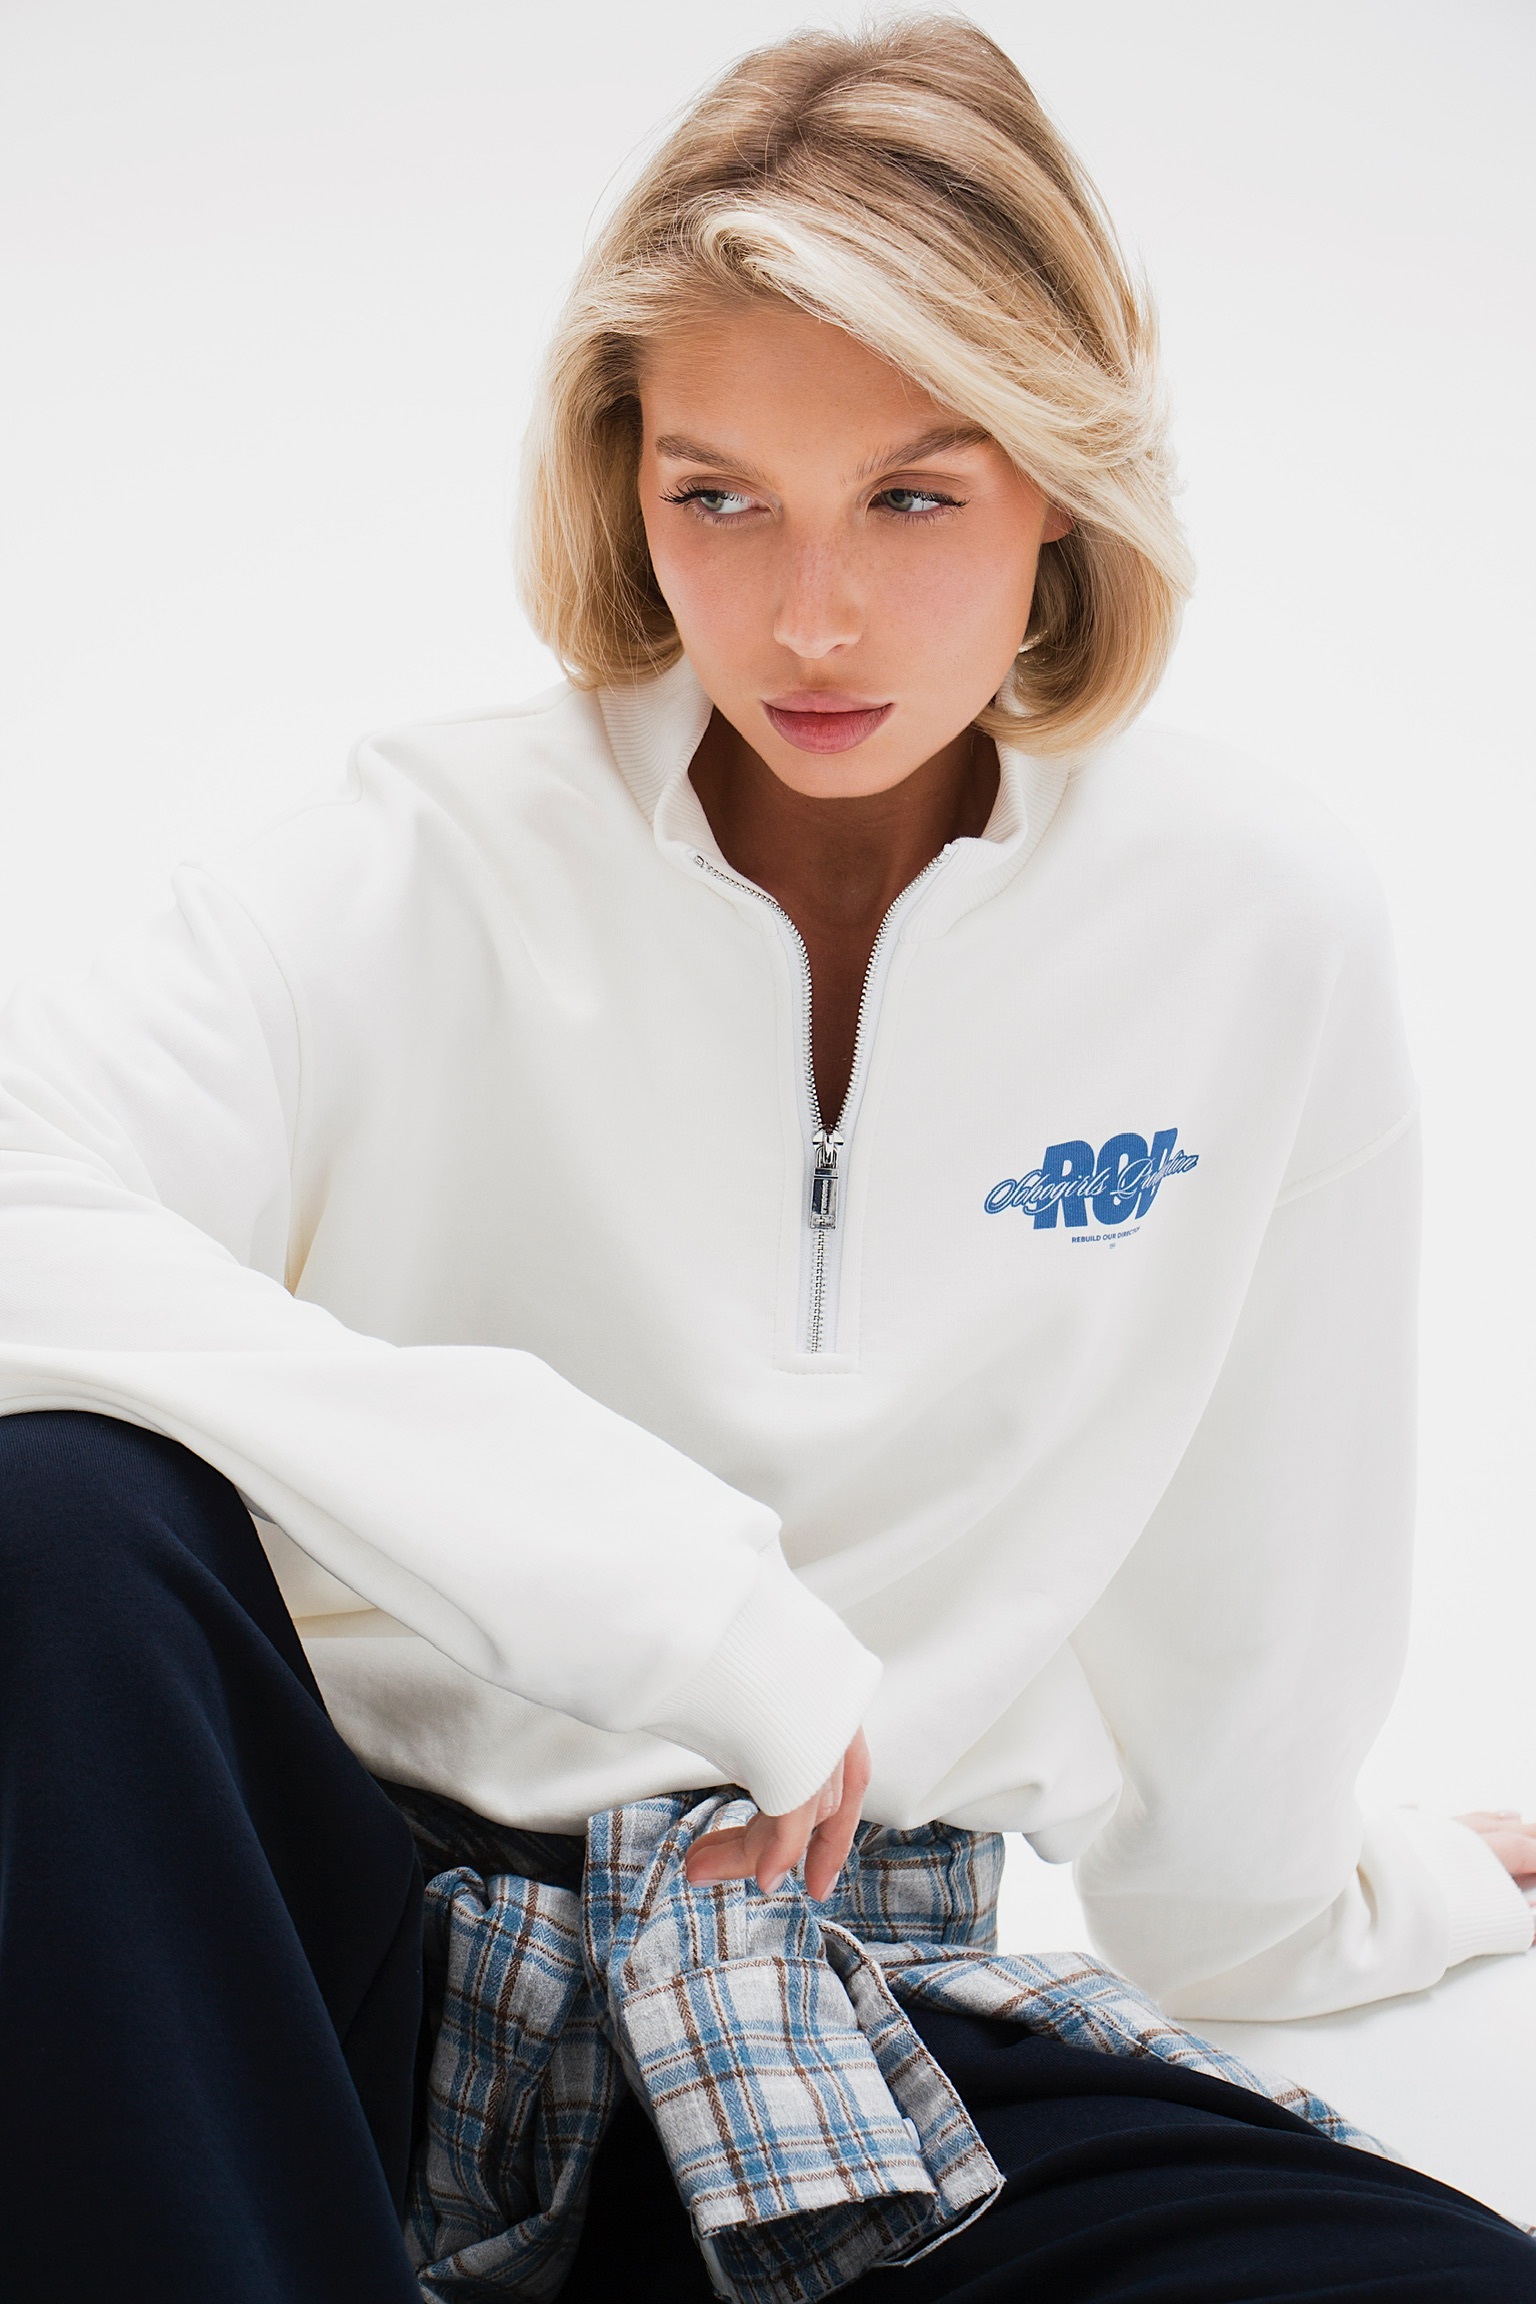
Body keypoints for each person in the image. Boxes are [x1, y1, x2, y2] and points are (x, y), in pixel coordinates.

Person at [0, 17, 1532, 2301]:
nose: (811, 617)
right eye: (721, 497)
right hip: (311, 1992)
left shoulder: (1252, 925)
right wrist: (673, 1596)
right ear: (625, 485)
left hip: (839, 2014)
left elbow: (1249, 1658)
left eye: (913, 498)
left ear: (1063, 484)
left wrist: (1363, 1898)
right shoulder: (415, 863)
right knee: (55, 1510)